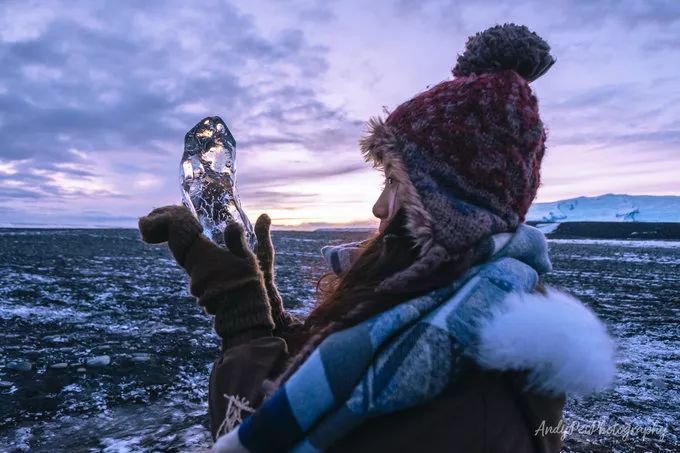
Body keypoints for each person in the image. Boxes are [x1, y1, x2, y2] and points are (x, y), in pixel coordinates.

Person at [139, 24, 615, 453]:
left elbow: (270, 430)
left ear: (445, 206)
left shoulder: (454, 390)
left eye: (394, 181)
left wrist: (240, 315)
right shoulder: (456, 317)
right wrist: (268, 310)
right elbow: (329, 378)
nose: (378, 207)